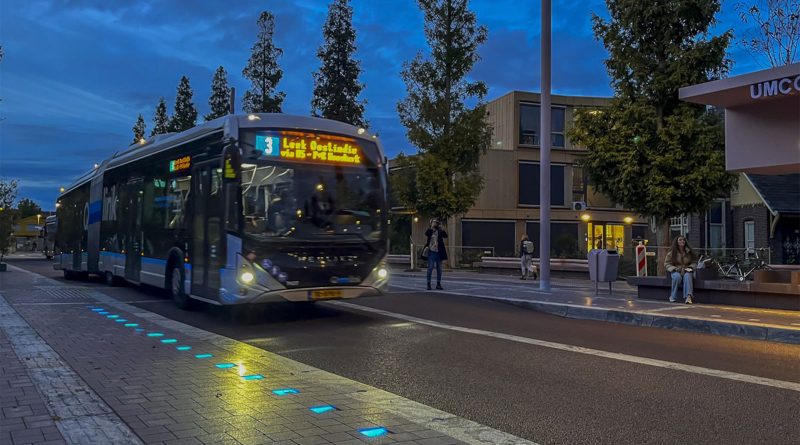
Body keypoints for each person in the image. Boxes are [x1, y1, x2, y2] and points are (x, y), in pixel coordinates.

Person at [665, 235, 698, 304]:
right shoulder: (672, 253)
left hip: (687, 270)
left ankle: (688, 297)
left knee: (688, 276)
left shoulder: (689, 252)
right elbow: (667, 263)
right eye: (680, 240)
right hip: (676, 270)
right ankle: (673, 296)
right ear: (677, 242)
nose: (682, 241)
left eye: (683, 240)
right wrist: (674, 269)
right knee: (677, 277)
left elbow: (695, 262)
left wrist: (690, 267)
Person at [424, 218, 448, 290]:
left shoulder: (440, 231)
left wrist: (442, 228)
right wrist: (431, 228)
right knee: (430, 268)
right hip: (431, 251)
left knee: (439, 269)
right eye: (434, 223)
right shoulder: (430, 231)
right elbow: (426, 233)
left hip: (439, 252)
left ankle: (438, 284)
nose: (435, 224)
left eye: (436, 223)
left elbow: (445, 236)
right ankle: (428, 283)